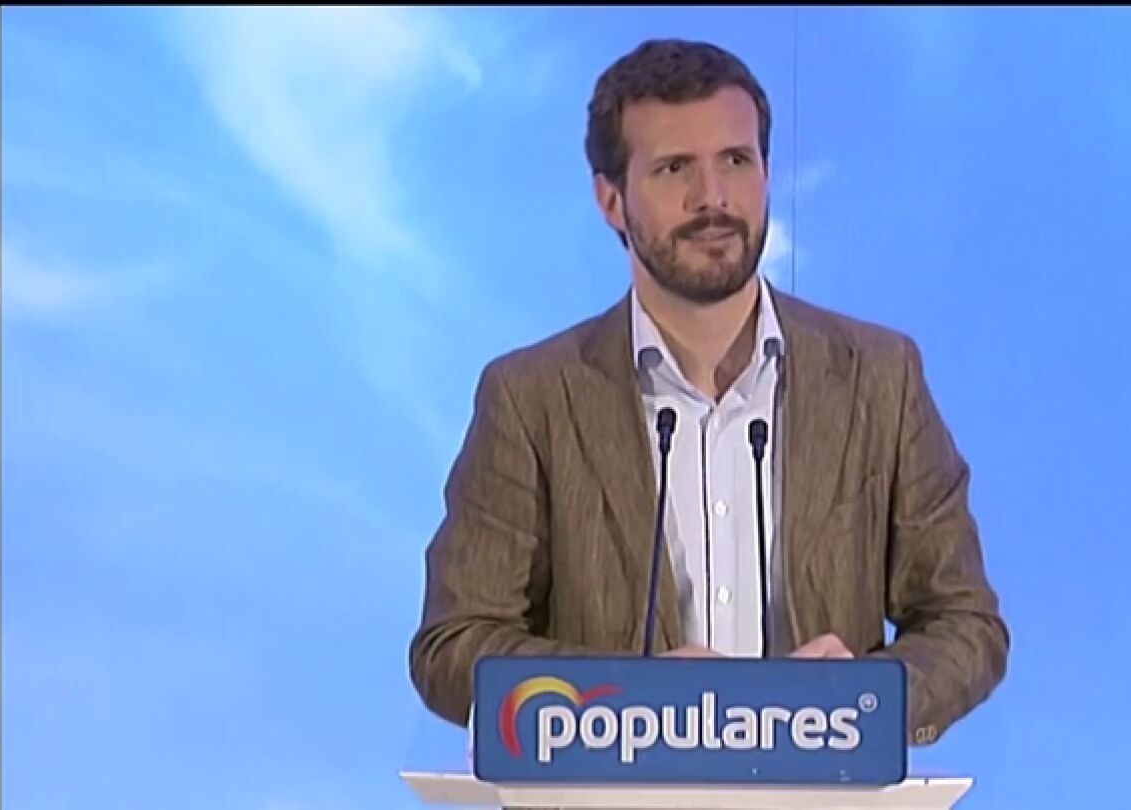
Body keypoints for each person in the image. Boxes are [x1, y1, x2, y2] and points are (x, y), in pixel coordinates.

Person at [409, 37, 1008, 746]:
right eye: (674, 169)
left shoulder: (879, 377)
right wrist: (632, 699)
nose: (714, 198)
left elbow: (965, 624)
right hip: (610, 791)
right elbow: (454, 645)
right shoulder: (531, 398)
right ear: (611, 199)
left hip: (822, 791)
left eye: (736, 161)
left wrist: (865, 699)